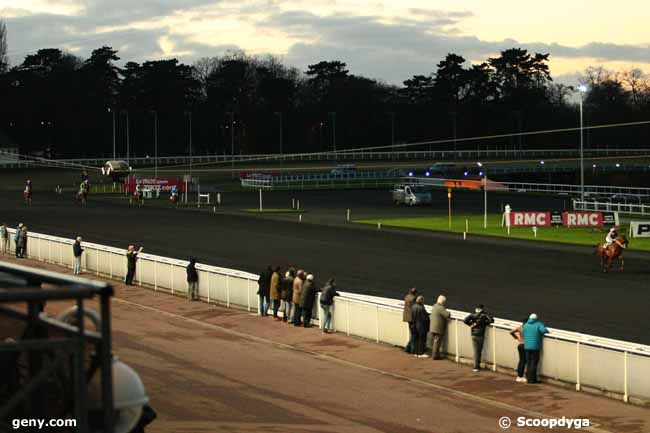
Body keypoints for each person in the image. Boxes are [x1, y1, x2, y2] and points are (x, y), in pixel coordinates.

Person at [463, 304, 494, 372]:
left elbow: (465, 320)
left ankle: (476, 365)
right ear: (482, 309)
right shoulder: (484, 315)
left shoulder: (472, 315)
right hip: (481, 335)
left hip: (473, 334)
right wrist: (485, 323)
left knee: (476, 351)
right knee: (479, 351)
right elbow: (491, 320)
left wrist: (471, 325)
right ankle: (476, 366)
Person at [522, 313, 549, 384]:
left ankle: (528, 379)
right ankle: (532, 379)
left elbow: (523, 334)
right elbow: (543, 331)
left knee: (528, 363)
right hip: (535, 347)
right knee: (534, 363)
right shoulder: (538, 324)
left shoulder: (525, 325)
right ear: (536, 318)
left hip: (527, 347)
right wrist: (546, 330)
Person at [429, 295, 451, 360]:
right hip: (438, 328)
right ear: (443, 302)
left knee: (435, 342)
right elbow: (447, 314)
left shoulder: (434, 306)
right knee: (437, 342)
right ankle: (435, 356)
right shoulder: (441, 308)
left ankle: (436, 354)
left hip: (432, 327)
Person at [510, 318, 529, 382]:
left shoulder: (520, 328)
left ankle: (519, 375)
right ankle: (521, 376)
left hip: (520, 345)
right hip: (525, 345)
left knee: (521, 360)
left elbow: (511, 332)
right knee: (524, 361)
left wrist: (517, 338)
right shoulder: (528, 328)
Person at [402, 288, 417, 353]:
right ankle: (411, 349)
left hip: (407, 318)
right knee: (414, 334)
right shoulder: (413, 298)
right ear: (414, 293)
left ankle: (408, 348)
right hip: (412, 318)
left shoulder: (406, 296)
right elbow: (414, 308)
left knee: (412, 333)